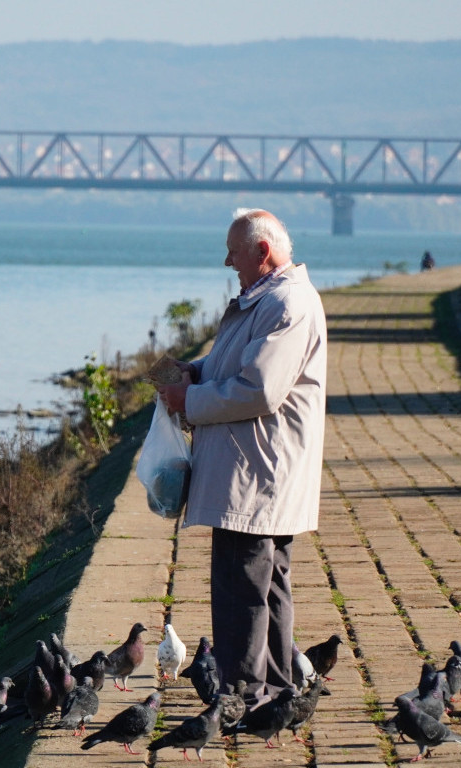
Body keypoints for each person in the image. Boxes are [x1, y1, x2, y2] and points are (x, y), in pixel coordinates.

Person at [158, 208, 327, 707]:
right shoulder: (266, 300)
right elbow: (232, 363)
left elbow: (259, 388)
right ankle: (273, 690)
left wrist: (188, 401)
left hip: (255, 475)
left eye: (234, 250)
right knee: (266, 588)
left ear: (262, 251)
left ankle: (243, 695)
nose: (227, 259)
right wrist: (193, 370)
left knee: (243, 592)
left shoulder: (287, 302)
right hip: (253, 472)